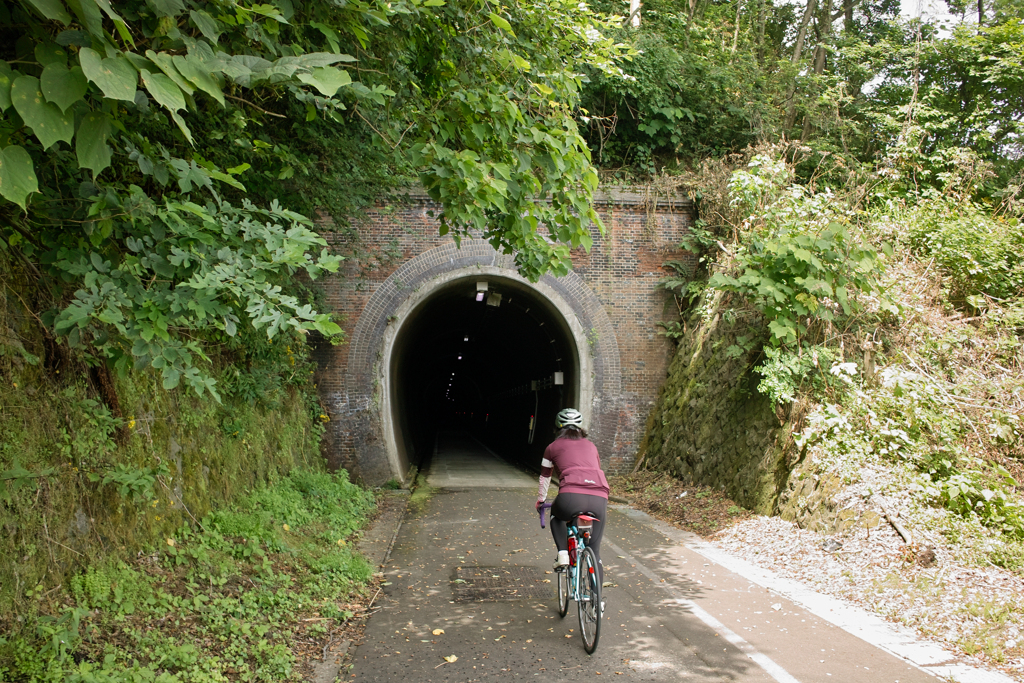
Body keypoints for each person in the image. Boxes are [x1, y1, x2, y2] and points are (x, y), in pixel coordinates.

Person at [535, 408, 609, 584]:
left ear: (557, 427)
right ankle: (596, 604)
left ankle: (562, 554)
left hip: (571, 496)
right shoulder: (591, 446)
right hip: (600, 497)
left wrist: (541, 501)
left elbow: (545, 477)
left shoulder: (552, 447)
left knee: (556, 514)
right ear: (580, 428)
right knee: (595, 550)